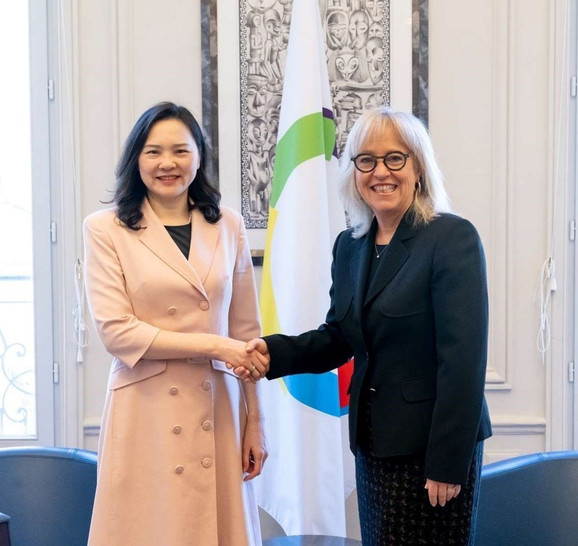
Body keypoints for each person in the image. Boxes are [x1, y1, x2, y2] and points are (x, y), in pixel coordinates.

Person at [239, 106, 492, 545]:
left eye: (395, 158)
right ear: (353, 172)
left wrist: (447, 464)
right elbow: (340, 337)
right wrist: (270, 352)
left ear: (418, 168)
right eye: (367, 160)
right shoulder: (350, 245)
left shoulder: (452, 239)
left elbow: (463, 364)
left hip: (432, 453)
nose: (381, 172)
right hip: (374, 444)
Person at [83, 101, 269, 546]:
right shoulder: (105, 229)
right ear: (136, 160)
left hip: (218, 409)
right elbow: (115, 330)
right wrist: (215, 347)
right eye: (153, 152)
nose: (168, 163)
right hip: (144, 409)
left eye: (180, 151)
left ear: (200, 156)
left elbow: (246, 335)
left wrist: (255, 422)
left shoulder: (228, 226)